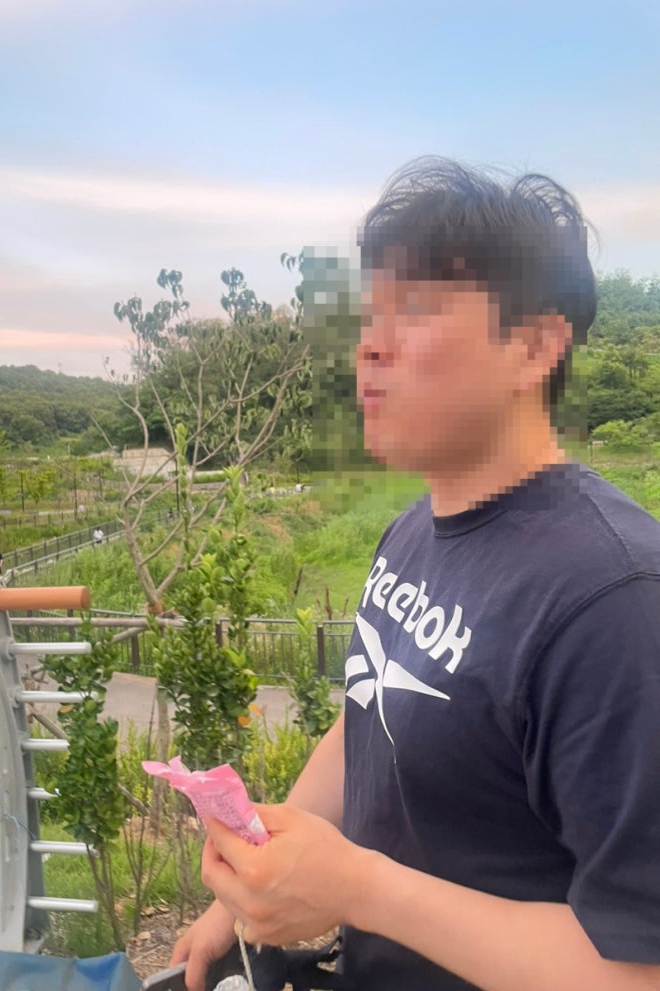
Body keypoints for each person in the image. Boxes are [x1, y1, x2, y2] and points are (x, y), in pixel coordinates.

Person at [171, 158, 660, 991]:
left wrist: (358, 889)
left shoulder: (612, 603)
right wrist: (248, 890)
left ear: (534, 346)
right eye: (371, 312)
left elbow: (638, 974)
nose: (369, 343)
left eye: (416, 308)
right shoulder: (410, 533)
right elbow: (368, 714)